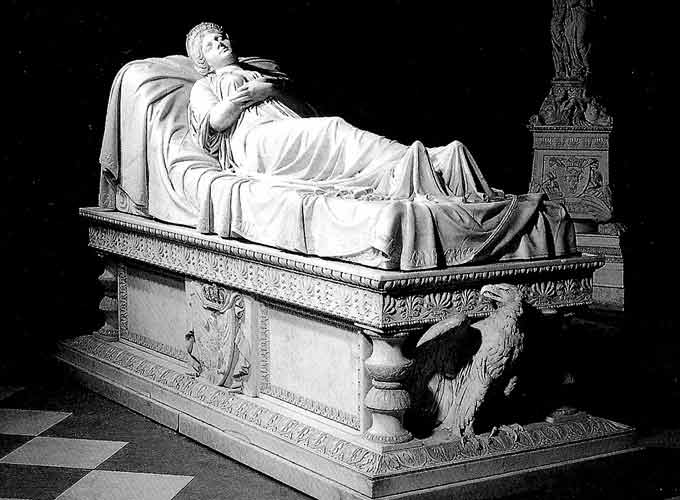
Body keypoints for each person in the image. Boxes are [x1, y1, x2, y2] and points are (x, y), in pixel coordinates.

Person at [185, 22, 497, 204]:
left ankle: (409, 162)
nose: (220, 43)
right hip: (255, 142)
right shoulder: (205, 85)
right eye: (210, 45)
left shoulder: (263, 71)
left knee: (335, 135)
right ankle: (407, 163)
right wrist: (249, 94)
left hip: (283, 129)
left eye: (221, 37)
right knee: (332, 129)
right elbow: (215, 122)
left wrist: (272, 88)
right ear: (203, 60)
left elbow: (301, 109)